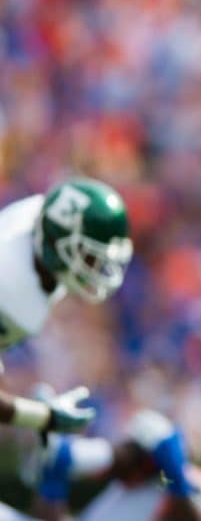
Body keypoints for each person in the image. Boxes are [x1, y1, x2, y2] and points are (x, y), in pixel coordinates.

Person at [0, 177, 132, 436]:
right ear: (57, 248)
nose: (97, 268)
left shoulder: (35, 216)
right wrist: (44, 417)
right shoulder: (12, 298)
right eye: (90, 257)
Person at [4, 409, 201, 521]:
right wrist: (53, 483)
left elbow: (187, 513)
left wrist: (176, 477)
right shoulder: (131, 489)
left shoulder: (189, 489)